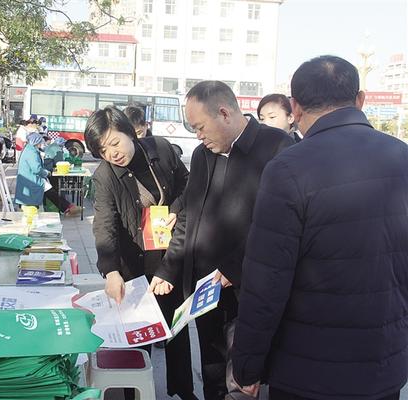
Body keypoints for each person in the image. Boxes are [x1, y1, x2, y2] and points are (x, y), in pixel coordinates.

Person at [231, 56, 408, 400]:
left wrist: (247, 365)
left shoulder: (287, 169)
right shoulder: (402, 157)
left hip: (307, 372)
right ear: (360, 100)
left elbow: (266, 281)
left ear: (295, 107)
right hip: (384, 364)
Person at [149, 81, 294, 399]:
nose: (197, 135)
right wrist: (168, 269)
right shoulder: (202, 155)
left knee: (241, 381)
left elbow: (281, 227)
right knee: (212, 373)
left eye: (200, 127)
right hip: (205, 290)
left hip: (247, 293)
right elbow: (189, 215)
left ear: (225, 113)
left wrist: (233, 268)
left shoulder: (278, 150)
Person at [84, 106, 196, 400]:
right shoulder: (105, 176)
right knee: (138, 331)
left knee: (176, 326)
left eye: (115, 143)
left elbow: (188, 185)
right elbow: (105, 225)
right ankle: (134, 392)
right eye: (103, 150)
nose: (112, 153)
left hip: (171, 251)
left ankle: (183, 389)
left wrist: (176, 210)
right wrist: (110, 271)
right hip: (134, 259)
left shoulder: (160, 150)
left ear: (130, 132)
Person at [15, 133, 80, 216]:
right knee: (50, 191)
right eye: (40, 142)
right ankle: (68, 207)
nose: (41, 144)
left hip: (30, 178)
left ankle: (67, 207)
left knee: (50, 191)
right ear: (36, 142)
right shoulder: (32, 152)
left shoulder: (29, 149)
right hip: (31, 179)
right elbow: (37, 169)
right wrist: (46, 173)